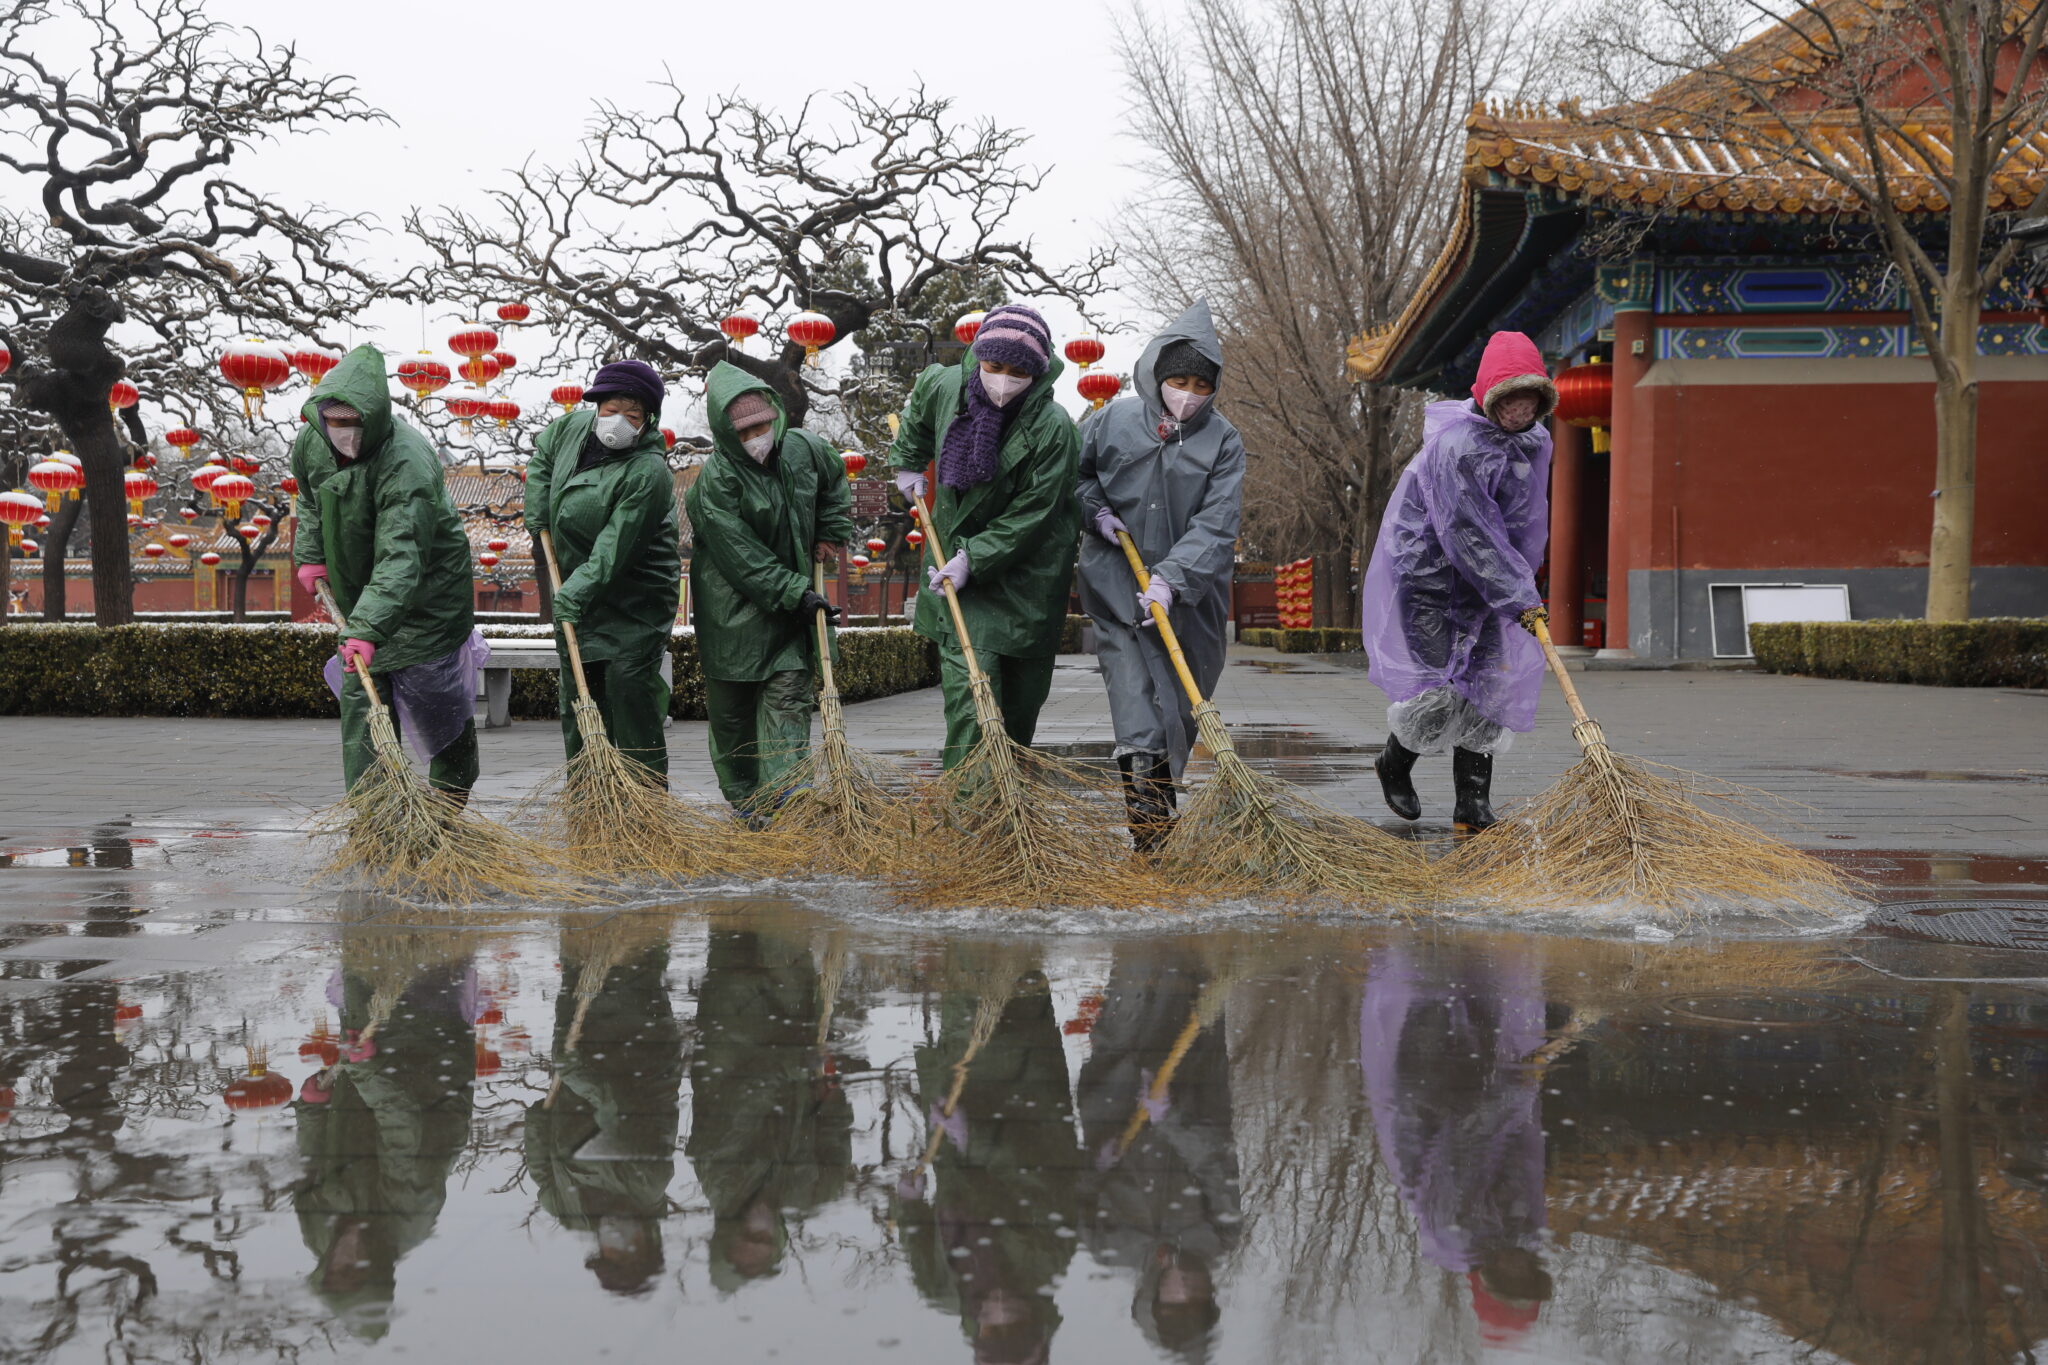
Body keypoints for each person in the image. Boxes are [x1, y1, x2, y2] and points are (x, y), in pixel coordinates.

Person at [1361, 330, 1557, 831]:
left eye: (1530, 399)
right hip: (1431, 579)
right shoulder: (1458, 447)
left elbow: (1524, 520)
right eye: (1510, 399)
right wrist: (1516, 592)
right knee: (1441, 689)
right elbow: (1467, 530)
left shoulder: (1533, 442)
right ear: (1491, 396)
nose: (1519, 410)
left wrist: (1520, 584)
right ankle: (1395, 763)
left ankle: (1472, 800)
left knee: (1491, 685)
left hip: (1492, 586)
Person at [1076, 300, 1245, 852]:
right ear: (1156, 374)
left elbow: (1218, 521)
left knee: (1179, 703)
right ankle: (1148, 826)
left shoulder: (1223, 440)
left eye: (1201, 382)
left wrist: (1173, 578)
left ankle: (1161, 798)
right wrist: (1094, 512)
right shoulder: (1109, 420)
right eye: (1178, 378)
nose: (1188, 392)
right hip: (1117, 586)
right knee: (1134, 700)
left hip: (1191, 597)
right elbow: (1076, 480)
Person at [889, 304, 1081, 769]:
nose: (1002, 380)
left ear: (1036, 373)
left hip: (1026, 576)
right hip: (956, 574)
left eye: (1018, 372)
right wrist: (908, 461)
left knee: (1017, 711)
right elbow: (915, 421)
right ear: (978, 357)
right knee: (972, 709)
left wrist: (974, 557)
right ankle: (971, 822)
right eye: (994, 367)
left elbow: (1034, 514)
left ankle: (1005, 803)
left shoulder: (1054, 429)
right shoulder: (945, 384)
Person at [291, 345, 482, 803]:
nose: (342, 431)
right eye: (333, 420)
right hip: (361, 598)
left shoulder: (406, 460)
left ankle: (448, 801)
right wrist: (311, 553)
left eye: (352, 421)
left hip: (428, 601)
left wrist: (371, 625)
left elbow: (402, 553)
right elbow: (311, 502)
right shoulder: (311, 443)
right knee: (364, 708)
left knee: (439, 705)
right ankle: (374, 814)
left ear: (374, 416)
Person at [684, 362, 855, 816]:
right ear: (725, 433)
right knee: (732, 714)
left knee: (788, 699)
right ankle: (746, 800)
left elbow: (834, 480)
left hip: (793, 608)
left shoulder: (803, 449)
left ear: (776, 416)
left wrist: (829, 530)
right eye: (744, 431)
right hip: (734, 613)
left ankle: (788, 800)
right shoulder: (714, 484)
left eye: (763, 425)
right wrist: (793, 593)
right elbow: (740, 556)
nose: (757, 437)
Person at [524, 359, 682, 781]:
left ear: (648, 421)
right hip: (576, 586)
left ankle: (644, 800)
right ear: (596, 406)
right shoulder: (571, 429)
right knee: (580, 699)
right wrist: (538, 508)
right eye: (611, 410)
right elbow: (542, 457)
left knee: (629, 693)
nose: (618, 422)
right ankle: (589, 799)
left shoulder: (649, 473)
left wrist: (571, 596)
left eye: (632, 416)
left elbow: (614, 549)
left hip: (635, 599)